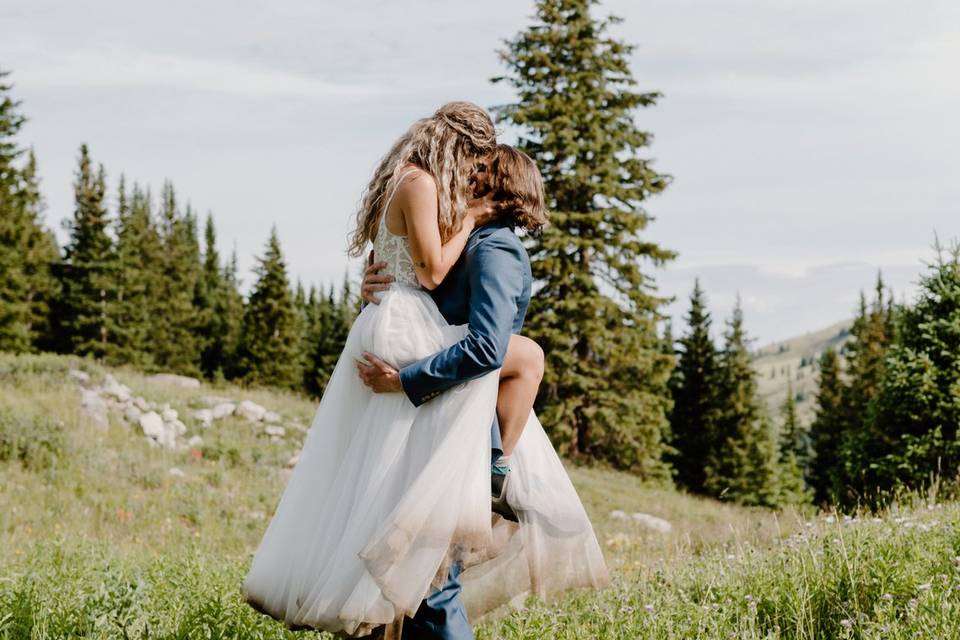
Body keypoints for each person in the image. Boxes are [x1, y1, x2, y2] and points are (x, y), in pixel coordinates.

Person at [358, 144, 609, 639]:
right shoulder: (468, 240)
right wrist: (375, 288)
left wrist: (402, 381)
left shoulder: (495, 251)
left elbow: (486, 350)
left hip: (470, 436)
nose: (468, 176)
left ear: (497, 188)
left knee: (434, 580)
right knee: (415, 577)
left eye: (481, 171)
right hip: (441, 423)